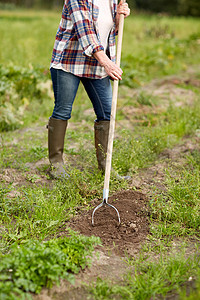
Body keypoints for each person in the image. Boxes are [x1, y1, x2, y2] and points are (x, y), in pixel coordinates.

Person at [48, 0, 130, 179]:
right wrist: (107, 63)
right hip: (69, 61)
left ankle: (105, 168)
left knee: (107, 113)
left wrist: (118, 19)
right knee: (63, 110)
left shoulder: (114, 1)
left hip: (96, 65)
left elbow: (108, 33)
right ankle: (56, 165)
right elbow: (86, 32)